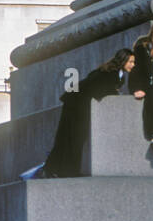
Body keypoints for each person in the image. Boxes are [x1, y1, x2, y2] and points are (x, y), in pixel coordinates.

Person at [40, 49, 136, 178]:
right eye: (130, 62)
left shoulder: (115, 73)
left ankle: (54, 169)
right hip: (77, 103)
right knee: (75, 137)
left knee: (69, 137)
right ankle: (66, 171)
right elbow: (101, 88)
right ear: (122, 61)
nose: (133, 65)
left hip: (77, 102)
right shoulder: (111, 73)